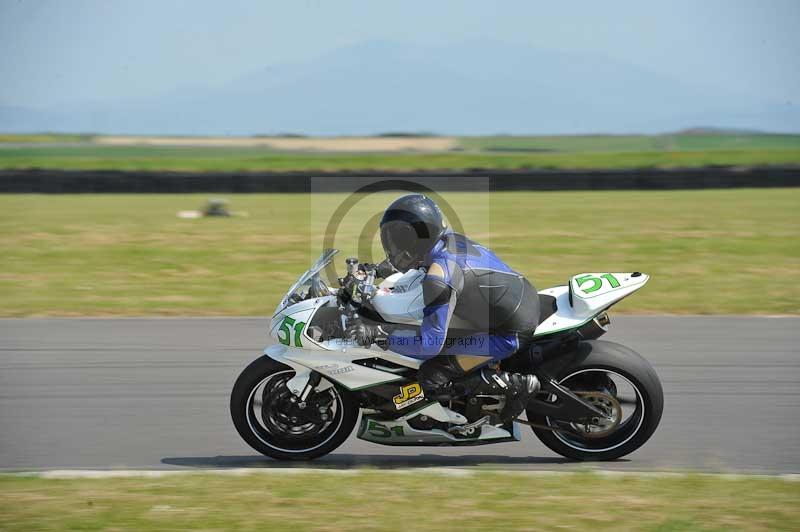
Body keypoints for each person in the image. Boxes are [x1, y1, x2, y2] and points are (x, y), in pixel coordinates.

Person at [345, 194, 541, 425]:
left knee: (432, 374)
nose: (392, 246)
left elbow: (429, 345)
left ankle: (515, 384)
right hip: (514, 300)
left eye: (397, 240)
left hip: (507, 333)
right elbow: (413, 260)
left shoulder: (438, 278)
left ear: (414, 239)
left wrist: (378, 335)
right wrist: (374, 271)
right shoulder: (446, 241)